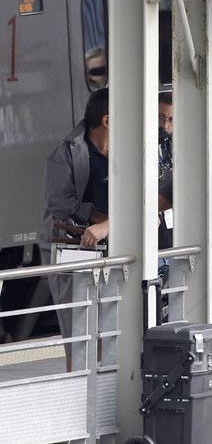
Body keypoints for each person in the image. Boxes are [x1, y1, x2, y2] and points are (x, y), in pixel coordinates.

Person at [42, 88, 110, 370]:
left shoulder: (124, 148)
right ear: (106, 120)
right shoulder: (66, 153)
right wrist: (99, 217)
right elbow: (59, 202)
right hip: (74, 249)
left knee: (108, 328)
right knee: (78, 332)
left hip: (110, 249)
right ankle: (79, 393)